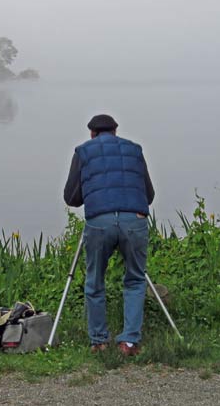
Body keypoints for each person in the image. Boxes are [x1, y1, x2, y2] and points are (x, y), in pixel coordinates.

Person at [63, 114, 155, 356]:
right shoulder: (135, 150)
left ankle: (99, 341)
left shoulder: (83, 151)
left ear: (92, 133)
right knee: (135, 279)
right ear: (115, 131)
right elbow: (149, 194)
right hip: (134, 220)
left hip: (100, 221)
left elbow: (71, 197)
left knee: (95, 281)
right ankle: (129, 342)